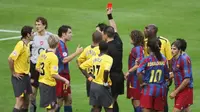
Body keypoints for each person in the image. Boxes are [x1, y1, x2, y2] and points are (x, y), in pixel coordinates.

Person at [36, 35, 69, 112]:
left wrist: (44, 73)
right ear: (57, 44)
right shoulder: (53, 57)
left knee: (52, 107)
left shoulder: (42, 53)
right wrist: (65, 80)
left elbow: (37, 68)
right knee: (51, 109)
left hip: (43, 83)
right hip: (48, 85)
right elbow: (54, 74)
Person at [143, 24, 172, 112]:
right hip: (148, 78)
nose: (144, 31)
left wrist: (169, 74)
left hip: (161, 77)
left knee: (162, 102)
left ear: (152, 31)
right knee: (148, 104)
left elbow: (169, 59)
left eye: (146, 29)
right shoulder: (144, 42)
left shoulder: (165, 41)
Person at [55, 25, 83, 112]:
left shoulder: (62, 44)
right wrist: (76, 53)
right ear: (63, 34)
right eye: (69, 33)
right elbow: (64, 60)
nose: (71, 34)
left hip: (64, 75)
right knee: (59, 100)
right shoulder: (61, 45)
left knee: (68, 99)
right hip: (61, 76)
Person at [79, 41, 113, 112]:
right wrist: (106, 83)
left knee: (96, 108)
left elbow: (81, 67)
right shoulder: (108, 58)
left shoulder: (94, 58)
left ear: (99, 49)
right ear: (107, 49)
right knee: (109, 108)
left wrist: (88, 77)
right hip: (102, 86)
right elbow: (106, 71)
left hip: (94, 85)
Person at [137, 39, 169, 112]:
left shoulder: (146, 59)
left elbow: (139, 72)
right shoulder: (164, 59)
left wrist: (141, 83)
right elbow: (167, 75)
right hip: (160, 90)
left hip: (148, 90)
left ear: (149, 48)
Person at [101, 8, 124, 112]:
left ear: (106, 34)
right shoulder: (118, 43)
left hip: (110, 77)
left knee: (109, 103)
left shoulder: (105, 48)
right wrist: (110, 16)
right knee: (114, 101)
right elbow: (115, 28)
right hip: (119, 76)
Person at [8, 26, 34, 112]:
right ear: (28, 35)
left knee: (26, 101)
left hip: (26, 76)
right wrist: (13, 72)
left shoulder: (27, 45)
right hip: (19, 77)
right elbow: (10, 59)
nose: (34, 34)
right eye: (32, 33)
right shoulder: (20, 45)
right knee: (19, 101)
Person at [29, 17, 52, 112]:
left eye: (39, 24)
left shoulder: (50, 37)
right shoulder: (33, 37)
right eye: (36, 25)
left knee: (46, 92)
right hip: (34, 66)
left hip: (46, 68)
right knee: (32, 93)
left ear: (44, 25)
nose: (37, 26)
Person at [169, 39, 193, 112]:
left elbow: (187, 79)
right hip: (179, 88)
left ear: (179, 50)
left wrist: (175, 92)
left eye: (174, 49)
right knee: (185, 110)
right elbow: (176, 73)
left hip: (185, 89)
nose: (172, 51)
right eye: (171, 48)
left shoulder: (184, 59)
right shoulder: (173, 59)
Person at [77, 31, 102, 97]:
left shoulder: (87, 49)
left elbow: (78, 61)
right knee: (101, 101)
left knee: (93, 101)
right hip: (98, 78)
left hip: (90, 77)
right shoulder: (101, 50)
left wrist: (86, 74)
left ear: (92, 39)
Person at [124, 30, 144, 112]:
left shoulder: (137, 49)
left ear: (134, 39)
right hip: (133, 78)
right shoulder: (137, 48)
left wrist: (129, 72)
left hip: (135, 79)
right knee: (134, 100)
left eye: (131, 37)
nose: (130, 39)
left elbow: (140, 63)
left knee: (136, 101)